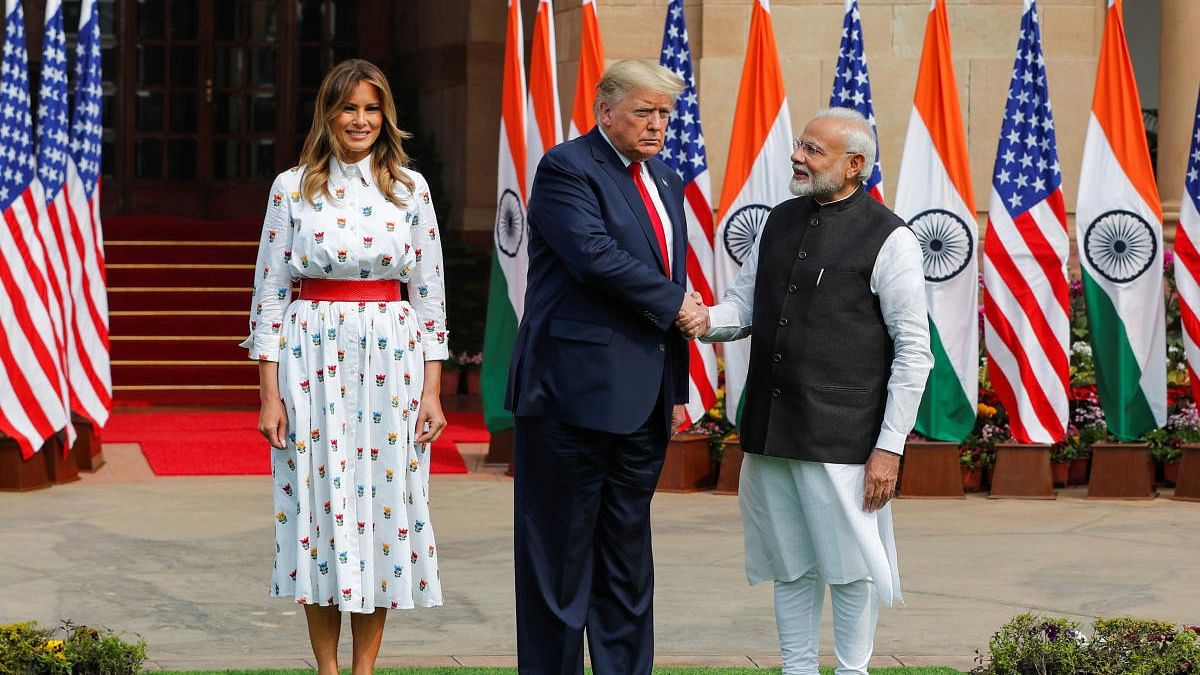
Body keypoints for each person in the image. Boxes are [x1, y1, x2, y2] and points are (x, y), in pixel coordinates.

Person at [678, 107, 933, 675]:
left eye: (814, 150)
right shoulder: (778, 220)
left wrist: (889, 447)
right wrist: (702, 319)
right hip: (771, 428)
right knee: (789, 563)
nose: (797, 155)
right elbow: (745, 306)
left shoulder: (891, 238)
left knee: (851, 567)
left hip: (845, 436)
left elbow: (915, 352)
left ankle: (851, 670)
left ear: (853, 166)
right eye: (800, 144)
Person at [241, 58, 449, 675]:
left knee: (383, 507)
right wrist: (269, 395)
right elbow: (271, 293)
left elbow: (429, 294)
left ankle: (365, 671)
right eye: (349, 107)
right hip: (311, 357)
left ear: (385, 116)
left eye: (371, 108)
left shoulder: (410, 189)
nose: (360, 120)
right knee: (317, 510)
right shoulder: (291, 187)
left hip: (393, 354)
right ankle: (326, 670)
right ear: (327, 114)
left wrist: (433, 393)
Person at [506, 59, 705, 674]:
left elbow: (666, 270)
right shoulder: (567, 167)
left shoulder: (666, 179)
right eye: (644, 111)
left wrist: (675, 386)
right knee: (560, 559)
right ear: (606, 112)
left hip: (642, 401)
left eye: (665, 113)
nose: (657, 124)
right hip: (571, 394)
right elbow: (595, 257)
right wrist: (678, 304)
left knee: (626, 555)